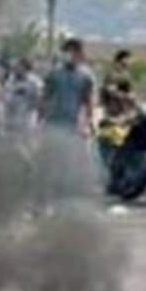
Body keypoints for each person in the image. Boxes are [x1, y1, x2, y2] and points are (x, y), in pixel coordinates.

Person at [37, 39, 98, 210]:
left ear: (79, 54)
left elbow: (88, 102)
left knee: (70, 166)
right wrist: (39, 119)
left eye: (73, 52)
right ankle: (43, 204)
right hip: (53, 124)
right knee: (48, 165)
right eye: (66, 51)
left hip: (73, 127)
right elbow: (44, 97)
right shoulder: (54, 74)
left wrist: (88, 122)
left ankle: (67, 204)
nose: (69, 55)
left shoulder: (86, 76)